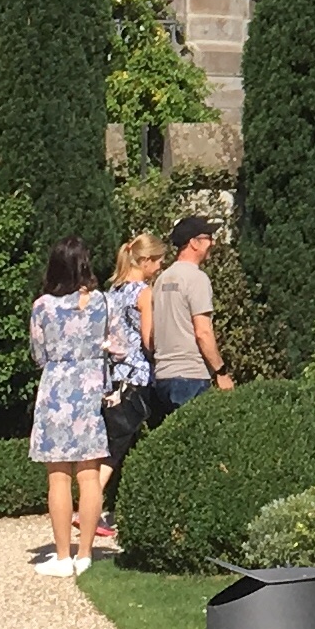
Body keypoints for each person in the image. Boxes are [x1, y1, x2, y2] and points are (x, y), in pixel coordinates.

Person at [27, 237, 115, 576]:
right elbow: (116, 344)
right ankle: (86, 554)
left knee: (59, 477)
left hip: (56, 391)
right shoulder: (102, 302)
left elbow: (39, 354)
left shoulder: (43, 306)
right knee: (90, 475)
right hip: (90, 388)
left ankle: (63, 556)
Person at [95, 232, 159, 541]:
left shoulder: (112, 291)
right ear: (145, 261)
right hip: (135, 376)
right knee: (117, 446)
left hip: (111, 376)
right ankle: (89, 509)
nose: (158, 268)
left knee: (111, 442)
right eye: (157, 262)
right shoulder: (143, 293)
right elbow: (148, 339)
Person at [148, 216, 230, 419]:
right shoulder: (197, 279)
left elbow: (152, 333)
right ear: (194, 242)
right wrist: (221, 372)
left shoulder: (161, 280)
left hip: (163, 377)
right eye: (208, 237)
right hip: (191, 376)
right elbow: (203, 332)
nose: (213, 243)